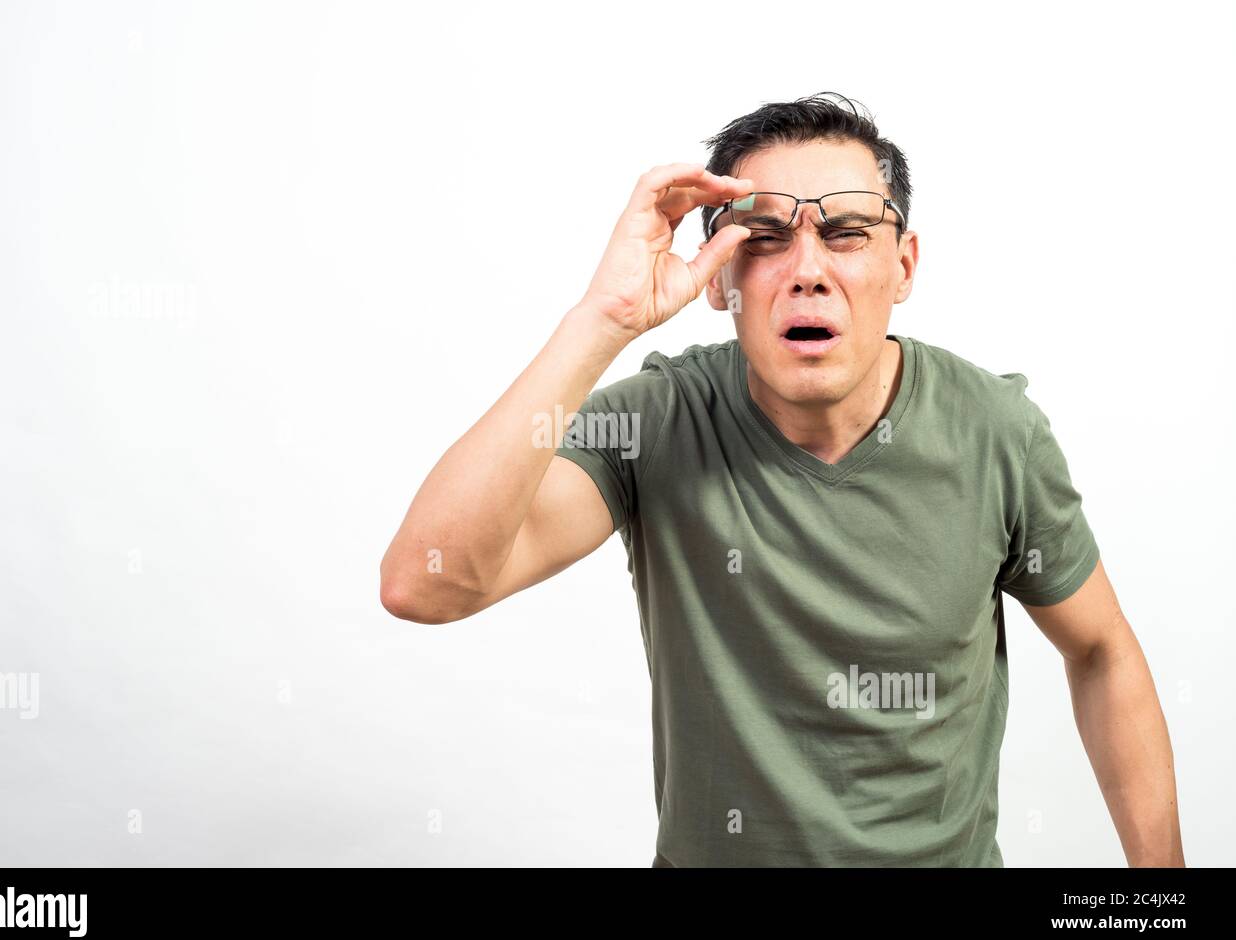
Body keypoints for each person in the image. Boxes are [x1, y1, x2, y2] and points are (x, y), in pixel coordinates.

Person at [380, 93, 1184, 868]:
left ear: (903, 264)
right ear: (717, 277)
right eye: (763, 237)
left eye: (846, 233)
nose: (807, 270)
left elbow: (1102, 648)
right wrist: (603, 318)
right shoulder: (658, 422)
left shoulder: (996, 432)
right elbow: (426, 584)